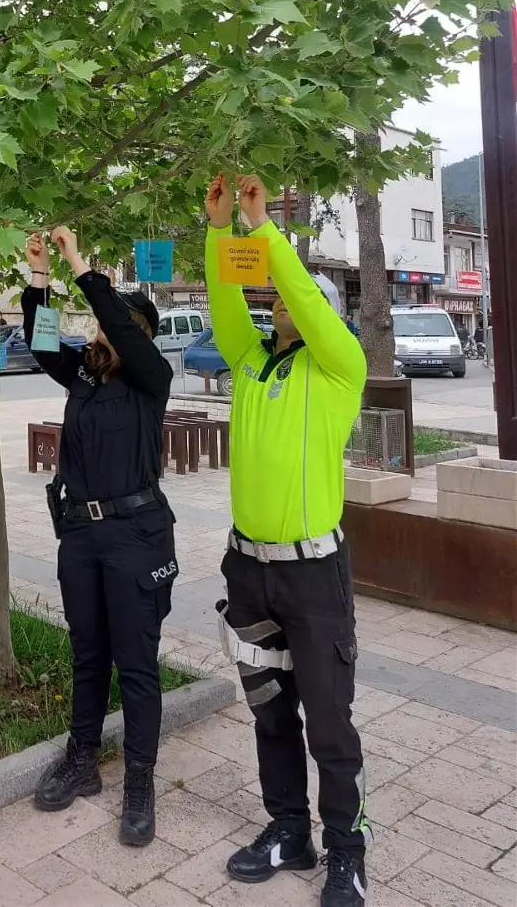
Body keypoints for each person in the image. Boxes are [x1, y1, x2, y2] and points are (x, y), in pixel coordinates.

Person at [205, 174, 370, 907]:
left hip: (314, 574)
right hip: (249, 570)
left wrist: (263, 227)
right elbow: (225, 306)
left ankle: (347, 851)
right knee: (270, 708)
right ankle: (288, 830)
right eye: (273, 299)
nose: (281, 302)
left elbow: (301, 293)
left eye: (294, 298)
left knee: (328, 721)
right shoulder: (249, 361)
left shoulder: (338, 369)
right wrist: (219, 232)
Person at [23, 226, 174, 847]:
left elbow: (118, 322)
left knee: (135, 663)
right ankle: (82, 759)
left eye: (114, 324)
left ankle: (139, 780)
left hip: (136, 537)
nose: (100, 331)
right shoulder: (84, 378)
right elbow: (40, 343)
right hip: (81, 538)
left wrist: (80, 265)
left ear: (139, 334)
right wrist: (39, 274)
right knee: (87, 653)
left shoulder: (151, 378)